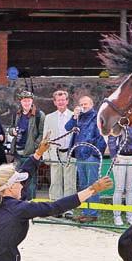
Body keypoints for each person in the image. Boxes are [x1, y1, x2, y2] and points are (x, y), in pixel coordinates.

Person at [65, 95, 106, 223]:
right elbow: (67, 128)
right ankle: (85, 211)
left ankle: (92, 212)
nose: (83, 106)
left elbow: (102, 138)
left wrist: (94, 153)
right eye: (81, 104)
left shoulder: (97, 117)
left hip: (91, 156)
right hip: (79, 155)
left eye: (85, 104)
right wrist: (74, 116)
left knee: (93, 184)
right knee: (83, 185)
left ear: (91, 104)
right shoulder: (79, 117)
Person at [42, 90, 76, 219]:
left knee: (70, 181)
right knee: (55, 181)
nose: (61, 102)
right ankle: (56, 208)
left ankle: (68, 209)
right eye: (58, 100)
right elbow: (46, 137)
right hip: (54, 152)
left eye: (63, 100)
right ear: (55, 102)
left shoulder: (74, 116)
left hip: (70, 152)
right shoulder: (49, 117)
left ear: (67, 101)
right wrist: (45, 155)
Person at [9, 91, 45, 201]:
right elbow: (11, 128)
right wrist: (12, 131)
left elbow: (42, 133)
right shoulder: (17, 114)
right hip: (18, 152)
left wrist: (34, 146)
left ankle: (30, 203)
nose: (26, 102)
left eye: (28, 100)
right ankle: (19, 202)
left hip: (31, 153)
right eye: (24, 100)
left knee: (31, 180)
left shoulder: (39, 115)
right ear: (20, 101)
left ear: (32, 101)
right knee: (18, 179)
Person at [108, 122, 132, 226]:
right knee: (119, 188)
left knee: (131, 189)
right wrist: (113, 155)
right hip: (119, 157)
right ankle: (117, 216)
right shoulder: (117, 121)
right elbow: (112, 138)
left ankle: (130, 216)